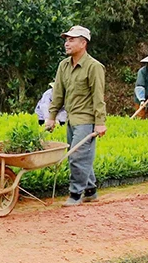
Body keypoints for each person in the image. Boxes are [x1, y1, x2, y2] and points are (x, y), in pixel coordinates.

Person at [45, 26, 107, 207]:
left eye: (71, 40)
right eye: (66, 40)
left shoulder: (94, 67)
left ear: (83, 43)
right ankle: (91, 192)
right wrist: (51, 116)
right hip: (71, 119)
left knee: (77, 156)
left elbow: (98, 97)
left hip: (86, 120)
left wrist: (100, 123)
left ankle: (75, 194)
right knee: (81, 155)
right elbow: (58, 93)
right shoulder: (63, 66)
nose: (67, 43)